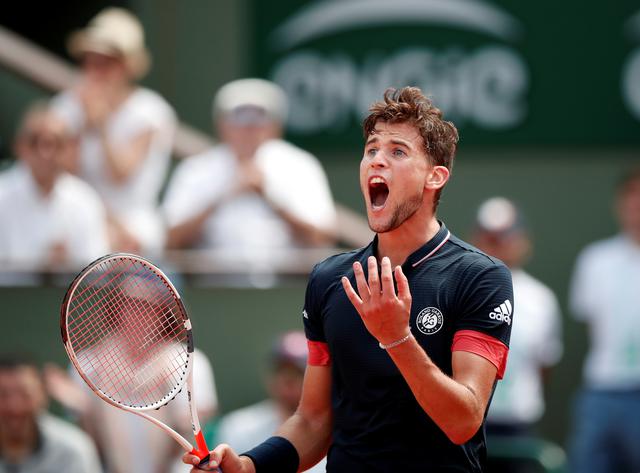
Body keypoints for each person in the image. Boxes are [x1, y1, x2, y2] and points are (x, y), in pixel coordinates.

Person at [183, 86, 514, 473]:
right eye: (371, 149)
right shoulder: (328, 279)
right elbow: (313, 420)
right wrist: (249, 465)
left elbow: (463, 421)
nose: (377, 161)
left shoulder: (481, 277)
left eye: (397, 152)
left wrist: (396, 337)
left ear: (435, 176)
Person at [161, 78, 337, 277]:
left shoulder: (301, 165)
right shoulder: (196, 169)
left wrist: (268, 195)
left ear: (276, 126)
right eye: (239, 118)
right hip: (213, 287)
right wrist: (222, 196)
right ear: (221, 125)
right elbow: (171, 240)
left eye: (259, 119)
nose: (249, 129)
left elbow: (322, 237)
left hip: (287, 287)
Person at [568, 166, 640, 473]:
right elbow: (593, 323)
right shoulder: (595, 260)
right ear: (621, 203)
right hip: (600, 391)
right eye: (635, 195)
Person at [51, 7, 177, 256]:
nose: (95, 71)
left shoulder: (151, 111)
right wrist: (81, 127)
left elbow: (121, 173)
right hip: (75, 218)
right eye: (90, 61)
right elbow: (62, 171)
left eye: (106, 63)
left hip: (133, 227)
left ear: (125, 66)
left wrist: (102, 126)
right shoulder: (66, 105)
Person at [469, 197, 563, 472]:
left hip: (518, 426)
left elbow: (545, 365)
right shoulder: (458, 292)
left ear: (523, 241)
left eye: (505, 237)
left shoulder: (542, 299)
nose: (497, 244)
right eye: (489, 237)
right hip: (468, 424)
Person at [46, 346, 218, 473]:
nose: (137, 316)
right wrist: (87, 412)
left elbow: (193, 422)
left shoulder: (185, 360)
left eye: (151, 307)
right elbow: (91, 443)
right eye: (128, 305)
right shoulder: (88, 364)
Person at [0, 102, 109, 280]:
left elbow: (98, 274)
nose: (45, 152)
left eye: (56, 143)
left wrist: (68, 266)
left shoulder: (85, 201)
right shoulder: (1, 195)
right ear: (21, 146)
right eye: (36, 141)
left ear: (68, 149)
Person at [215, 331, 326, 472]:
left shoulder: (335, 433)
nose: (287, 381)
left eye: (297, 373)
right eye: (281, 371)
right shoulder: (238, 426)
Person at [0, 354, 103, 473]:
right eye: (3, 395)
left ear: (42, 396)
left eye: (25, 394)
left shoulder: (74, 449)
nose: (15, 407)